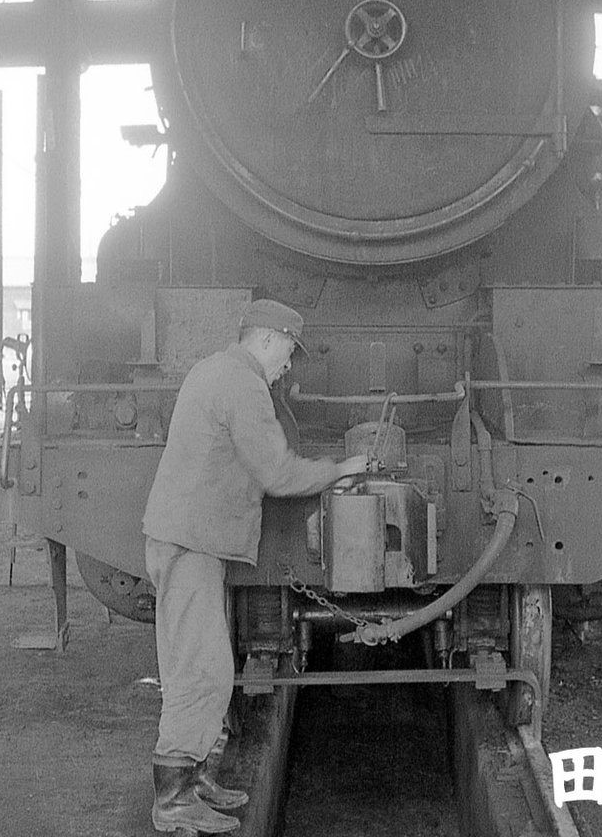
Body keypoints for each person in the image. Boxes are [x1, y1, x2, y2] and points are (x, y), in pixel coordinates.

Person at [142, 299, 368, 833]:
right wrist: (339, 470)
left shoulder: (212, 370)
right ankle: (172, 799)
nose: (288, 365)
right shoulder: (242, 383)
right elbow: (277, 473)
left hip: (187, 537)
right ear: (268, 339)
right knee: (201, 670)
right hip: (190, 541)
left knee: (199, 666)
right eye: (289, 351)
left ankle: (194, 780)